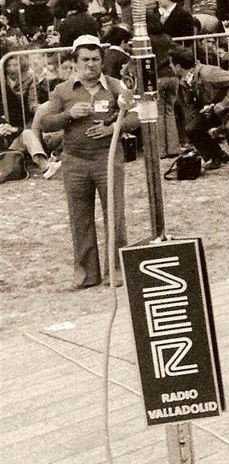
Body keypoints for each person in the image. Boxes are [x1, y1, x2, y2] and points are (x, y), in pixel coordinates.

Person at [34, 36, 139, 288]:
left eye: (95, 59)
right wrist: (68, 116)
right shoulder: (62, 90)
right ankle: (86, 274)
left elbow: (136, 116)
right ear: (75, 62)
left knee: (114, 215)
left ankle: (115, 270)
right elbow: (45, 123)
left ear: (102, 61)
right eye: (85, 60)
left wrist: (113, 127)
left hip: (107, 158)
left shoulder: (115, 86)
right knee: (79, 217)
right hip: (75, 161)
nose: (90, 65)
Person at [169, 46, 229, 173]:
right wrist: (202, 116)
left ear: (178, 66)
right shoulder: (185, 81)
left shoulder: (208, 73)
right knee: (192, 128)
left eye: (171, 64)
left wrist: (224, 104)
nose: (170, 67)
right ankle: (217, 156)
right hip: (214, 107)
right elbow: (192, 104)